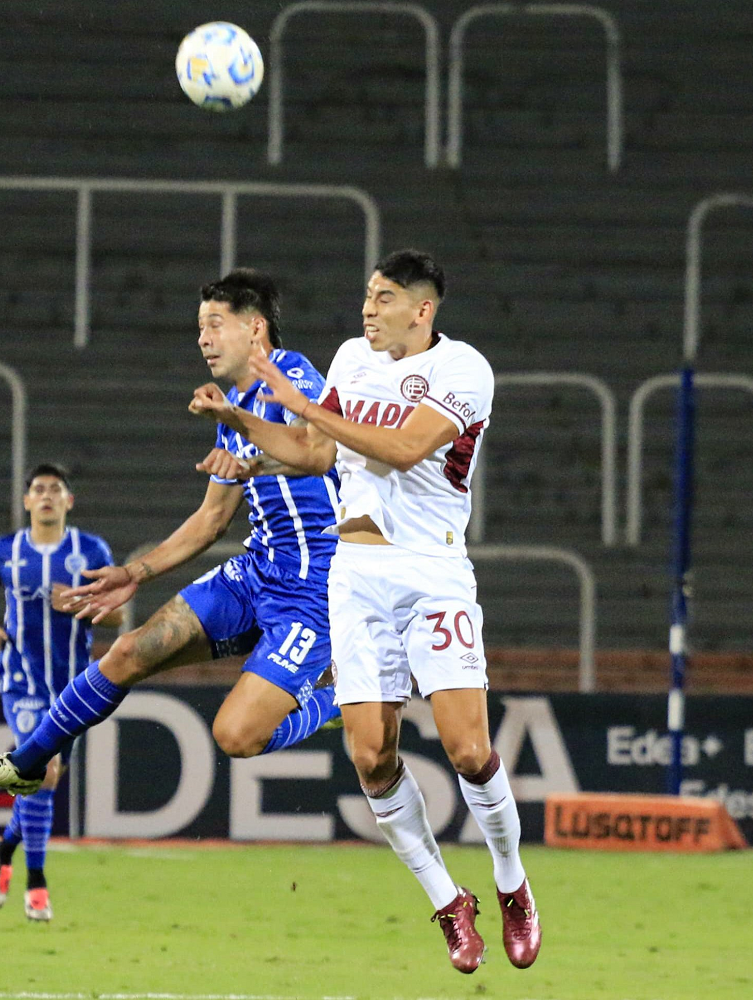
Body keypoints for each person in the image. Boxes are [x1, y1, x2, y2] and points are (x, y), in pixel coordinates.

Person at [190, 250, 540, 973]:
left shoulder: (464, 369)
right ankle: (449, 902)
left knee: (468, 750)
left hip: (433, 571)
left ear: (422, 309)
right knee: (372, 757)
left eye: (383, 298)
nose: (367, 309)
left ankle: (512, 883)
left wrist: (300, 403)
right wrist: (243, 424)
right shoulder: (351, 359)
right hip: (356, 576)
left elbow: (405, 449)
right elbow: (316, 455)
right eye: (366, 296)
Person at [0, 268, 342, 799]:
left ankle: (339, 697)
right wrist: (133, 573)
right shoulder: (233, 409)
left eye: (214, 324)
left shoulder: (297, 376)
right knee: (130, 650)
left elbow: (315, 451)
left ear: (255, 328)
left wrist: (237, 424)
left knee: (236, 736)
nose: (203, 339)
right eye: (200, 328)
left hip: (315, 588)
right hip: (255, 573)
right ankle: (26, 763)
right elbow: (211, 519)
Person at [0, 462, 120, 921]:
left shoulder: (90, 550)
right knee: (44, 772)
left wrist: (80, 600)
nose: (47, 495)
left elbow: (116, 614)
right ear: (27, 501)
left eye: (56, 489)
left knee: (45, 779)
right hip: (21, 680)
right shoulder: (5, 551)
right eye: (39, 489)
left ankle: (4, 848)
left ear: (69, 501)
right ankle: (37, 885)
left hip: (73, 685)